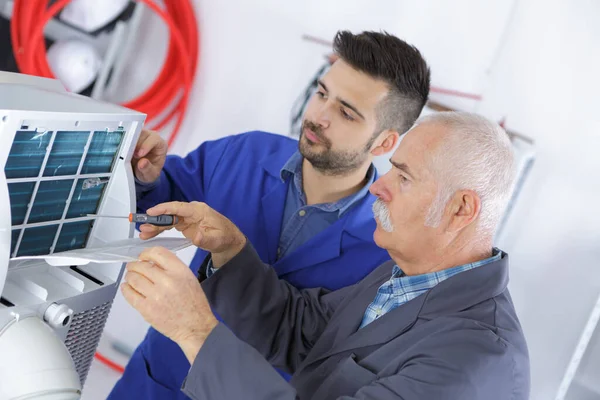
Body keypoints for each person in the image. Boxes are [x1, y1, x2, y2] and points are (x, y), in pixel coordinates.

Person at [109, 30, 431, 398]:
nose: (319, 116)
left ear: (385, 142)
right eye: (322, 93)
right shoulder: (247, 152)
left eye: (345, 113)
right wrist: (146, 176)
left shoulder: (383, 255)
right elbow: (164, 201)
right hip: (154, 383)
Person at [121, 111, 530, 399]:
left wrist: (195, 333)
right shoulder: (401, 277)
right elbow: (302, 331)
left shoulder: (475, 359)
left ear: (461, 209)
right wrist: (230, 249)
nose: (378, 186)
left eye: (403, 178)